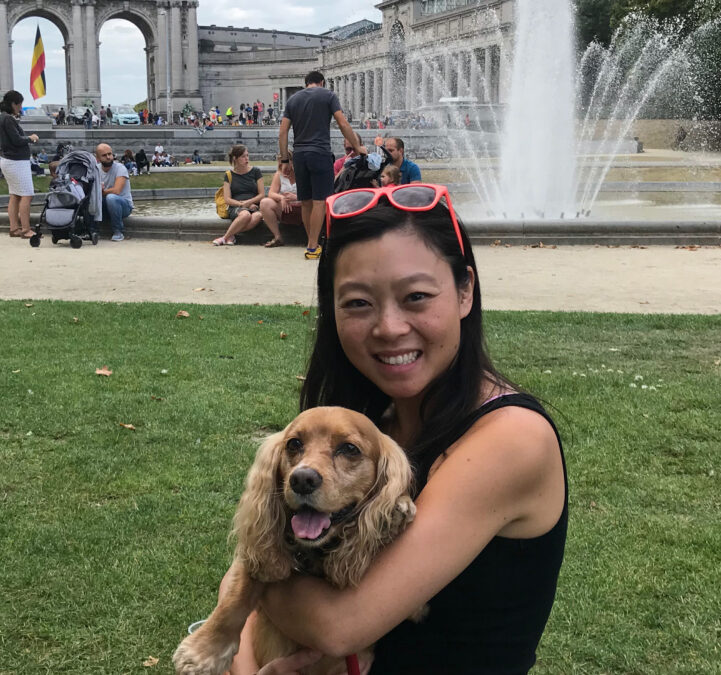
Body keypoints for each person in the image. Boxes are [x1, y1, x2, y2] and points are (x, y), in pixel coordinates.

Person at [224, 182, 567, 675]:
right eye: (358, 303)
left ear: (465, 290)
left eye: (416, 296)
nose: (388, 327)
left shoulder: (511, 439)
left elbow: (338, 623)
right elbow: (247, 579)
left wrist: (253, 573)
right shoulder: (366, 432)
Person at [279, 70, 366, 260]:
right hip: (320, 152)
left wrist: (285, 159)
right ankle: (312, 246)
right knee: (320, 201)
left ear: (306, 82)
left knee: (306, 201)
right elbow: (342, 123)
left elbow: (283, 132)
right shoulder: (328, 95)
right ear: (322, 82)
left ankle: (312, 243)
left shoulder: (292, 100)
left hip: (300, 154)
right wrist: (358, 147)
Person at [0, 89, 40, 238]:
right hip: (16, 162)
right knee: (27, 195)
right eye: (20, 104)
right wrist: (31, 138)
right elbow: (16, 140)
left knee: (15, 195)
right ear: (14, 104)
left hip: (8, 161)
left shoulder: (1, 118)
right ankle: (26, 229)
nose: (21, 107)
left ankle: (14, 228)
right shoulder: (8, 119)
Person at [211, 144, 265, 246]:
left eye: (247, 156)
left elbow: (262, 194)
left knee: (258, 216)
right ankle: (225, 238)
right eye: (243, 156)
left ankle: (229, 236)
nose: (247, 159)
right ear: (235, 158)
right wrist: (242, 205)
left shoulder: (256, 172)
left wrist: (249, 203)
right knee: (245, 215)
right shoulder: (229, 175)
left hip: (253, 206)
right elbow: (227, 199)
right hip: (236, 206)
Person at [258, 158, 303, 248]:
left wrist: (297, 197)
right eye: (280, 165)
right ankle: (277, 237)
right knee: (265, 203)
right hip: (285, 207)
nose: (283, 168)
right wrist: (281, 197)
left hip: (303, 207)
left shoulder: (302, 173)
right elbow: (271, 193)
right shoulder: (279, 175)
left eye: (285, 165)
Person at [96, 143, 133, 241]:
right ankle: (93, 229)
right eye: (104, 155)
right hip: (105, 205)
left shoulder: (120, 168)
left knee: (111, 197)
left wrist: (99, 192)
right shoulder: (95, 170)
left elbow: (117, 190)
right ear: (98, 158)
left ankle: (118, 231)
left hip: (124, 205)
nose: (108, 157)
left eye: (110, 154)